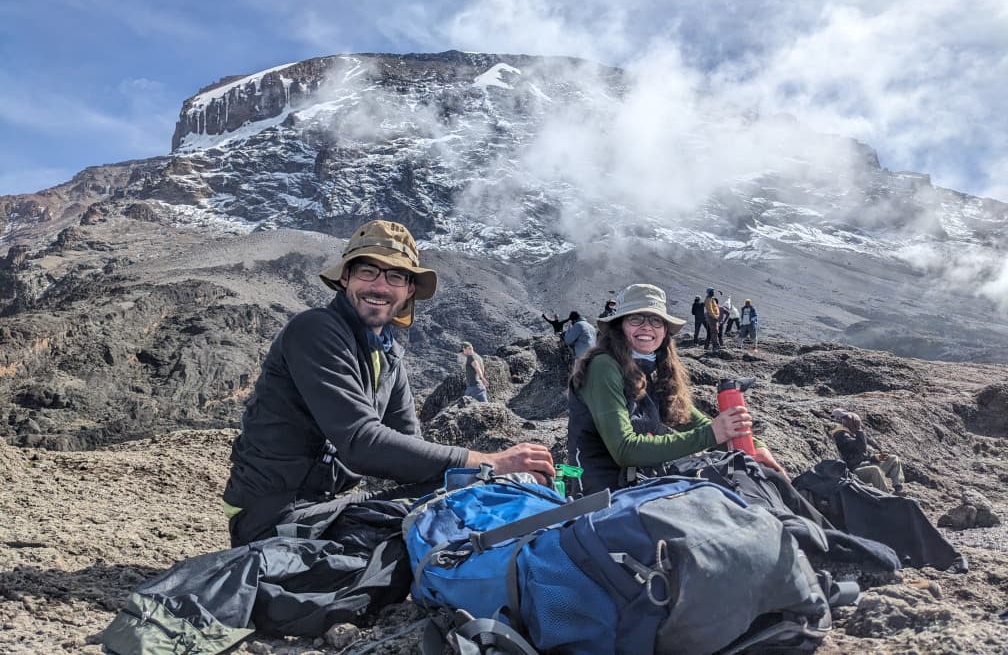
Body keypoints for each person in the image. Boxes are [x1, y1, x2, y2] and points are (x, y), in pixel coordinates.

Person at [223, 219, 554, 547]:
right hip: (273, 516)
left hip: (324, 506)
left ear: (409, 289)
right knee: (412, 540)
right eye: (368, 271)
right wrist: (488, 462)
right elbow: (361, 441)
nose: (379, 287)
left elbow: (412, 450)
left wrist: (490, 478)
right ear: (345, 277)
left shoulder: (388, 356)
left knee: (458, 502)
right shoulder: (316, 331)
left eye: (395, 276)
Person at [566, 283, 787, 496]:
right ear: (619, 326)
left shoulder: (649, 371)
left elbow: (695, 421)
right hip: (602, 497)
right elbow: (625, 449)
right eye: (636, 318)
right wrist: (710, 435)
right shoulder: (604, 366)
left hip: (639, 484)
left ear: (664, 331)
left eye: (656, 320)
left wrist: (755, 445)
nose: (646, 326)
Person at [831, 409, 905, 493]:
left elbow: (861, 454)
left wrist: (876, 457)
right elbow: (860, 448)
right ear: (841, 421)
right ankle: (887, 497)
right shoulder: (841, 435)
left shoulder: (850, 434)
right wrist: (859, 430)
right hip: (855, 471)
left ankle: (898, 489)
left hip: (864, 464)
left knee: (893, 459)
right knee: (874, 470)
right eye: (847, 419)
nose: (852, 422)